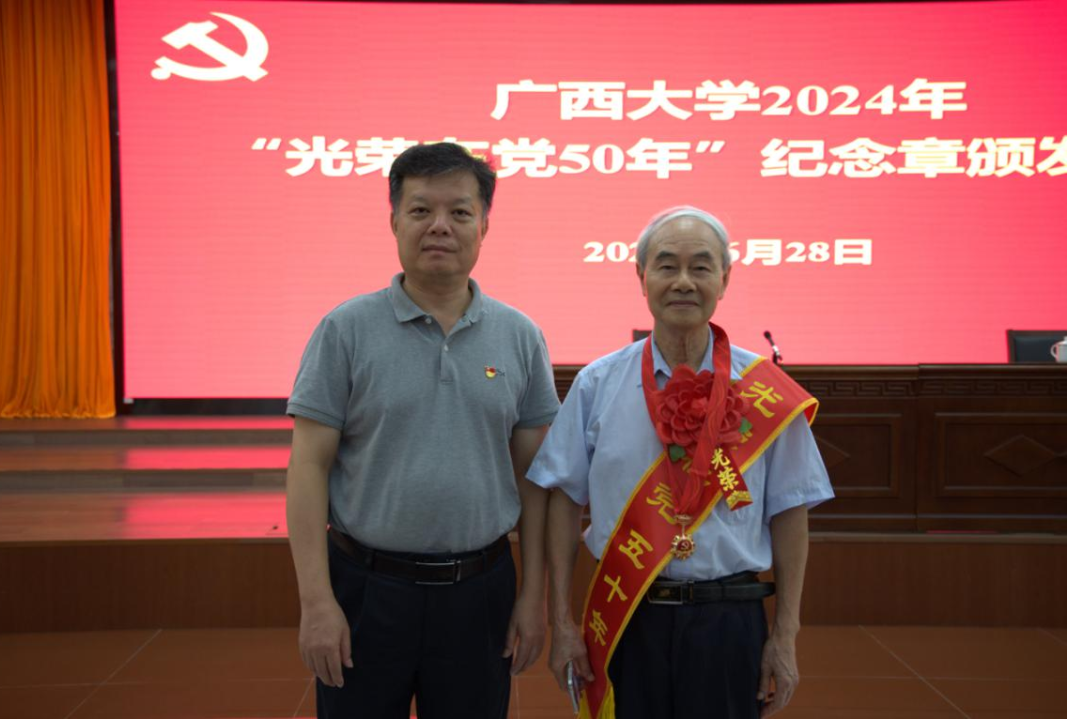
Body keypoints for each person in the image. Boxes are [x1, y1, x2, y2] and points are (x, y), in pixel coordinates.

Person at [285, 142, 560, 719]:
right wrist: (316, 602)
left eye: (459, 212)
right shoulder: (345, 330)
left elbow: (535, 480)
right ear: (394, 221)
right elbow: (308, 467)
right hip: (366, 590)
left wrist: (532, 596)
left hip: (480, 592)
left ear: (484, 226)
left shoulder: (520, 335)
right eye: (420, 210)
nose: (440, 226)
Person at [528, 206, 833, 719]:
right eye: (667, 266)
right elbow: (564, 501)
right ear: (642, 277)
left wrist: (785, 634)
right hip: (629, 618)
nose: (684, 281)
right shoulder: (597, 384)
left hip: (729, 621)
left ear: (724, 278)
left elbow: (790, 512)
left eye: (701, 267)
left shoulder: (766, 393)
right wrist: (562, 622)